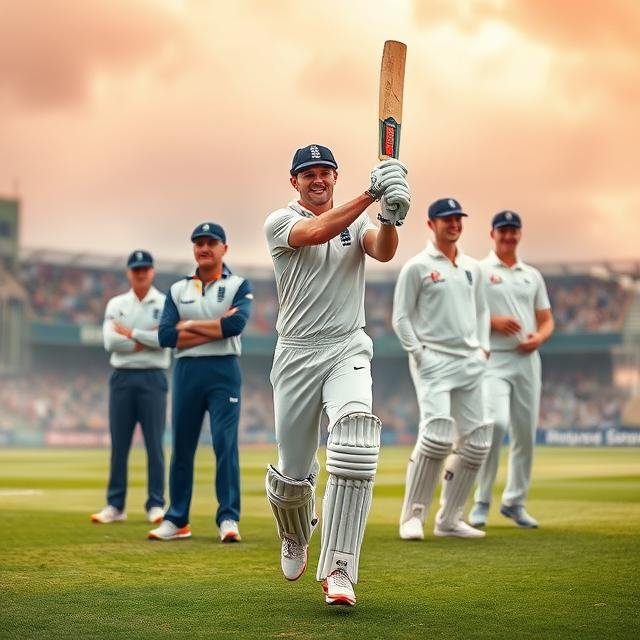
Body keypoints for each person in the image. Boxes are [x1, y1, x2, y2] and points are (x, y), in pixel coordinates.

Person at [264, 144, 410, 607]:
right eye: (308, 173)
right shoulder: (280, 222)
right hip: (296, 355)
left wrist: (390, 215)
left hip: (347, 345)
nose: (318, 178)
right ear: (295, 182)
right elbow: (316, 232)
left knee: (355, 443)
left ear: (335, 176)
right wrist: (372, 194)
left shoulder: (362, 221)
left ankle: (341, 567)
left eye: (325, 171)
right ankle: (295, 532)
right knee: (292, 477)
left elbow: (383, 253)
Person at [392, 198, 492, 541]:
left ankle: (450, 519)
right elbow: (401, 317)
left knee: (478, 441)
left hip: (469, 360)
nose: (454, 224)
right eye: (446, 219)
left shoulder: (472, 267)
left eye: (458, 219)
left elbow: (481, 310)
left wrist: (483, 347)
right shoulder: (417, 267)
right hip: (433, 358)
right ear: (431, 224)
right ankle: (413, 516)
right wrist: (419, 353)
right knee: (436, 436)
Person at [148, 223, 252, 543]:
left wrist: (189, 325)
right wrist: (213, 328)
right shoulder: (178, 290)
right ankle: (177, 519)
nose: (204, 248)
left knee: (224, 443)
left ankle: (228, 517)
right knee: (182, 446)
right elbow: (166, 336)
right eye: (199, 243)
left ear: (224, 248)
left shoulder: (237, 284)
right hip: (187, 372)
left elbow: (235, 325)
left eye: (211, 243)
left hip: (224, 371)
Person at [469, 211, 554, 529]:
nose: (508, 236)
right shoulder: (479, 270)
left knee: (525, 435)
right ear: (493, 234)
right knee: (496, 425)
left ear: (519, 234)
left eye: (513, 231)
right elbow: (467, 309)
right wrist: (492, 322)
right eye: (502, 231)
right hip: (494, 360)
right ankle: (481, 500)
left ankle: (515, 502)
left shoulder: (531, 275)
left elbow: (546, 320)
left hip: (528, 361)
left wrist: (539, 337)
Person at [92, 250, 170, 525]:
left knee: (154, 444)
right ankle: (115, 504)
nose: (140, 273)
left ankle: (156, 504)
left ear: (152, 271)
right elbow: (111, 343)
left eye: (145, 268)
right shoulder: (116, 304)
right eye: (136, 269)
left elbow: (165, 338)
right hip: (122, 377)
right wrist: (142, 341)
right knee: (120, 444)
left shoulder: (164, 302)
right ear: (129, 272)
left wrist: (133, 335)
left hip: (153, 377)